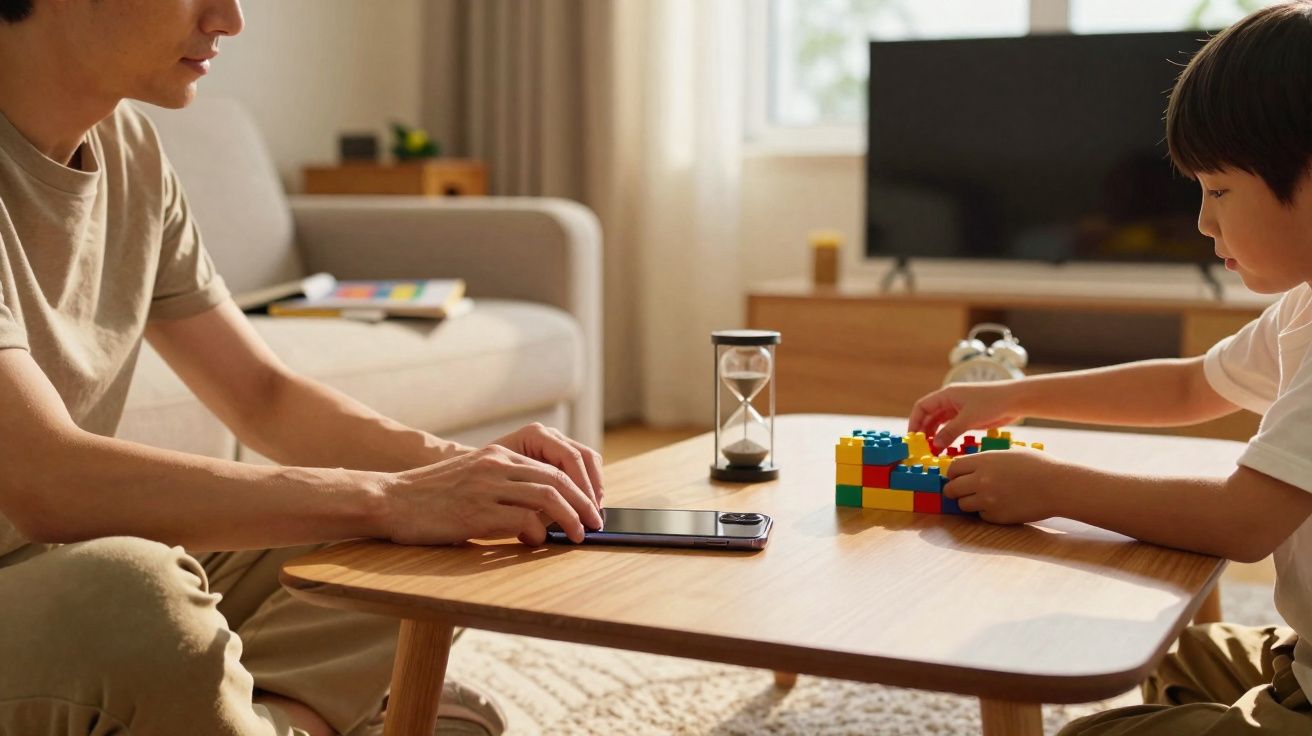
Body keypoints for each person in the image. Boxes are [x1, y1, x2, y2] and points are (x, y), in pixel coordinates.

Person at [0, 1, 605, 735]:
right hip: (47, 581)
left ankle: (273, 718)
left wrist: (465, 476)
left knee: (432, 538)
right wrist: (390, 496)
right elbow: (48, 483)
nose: (230, 18)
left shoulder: (132, 149)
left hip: (55, 565)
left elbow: (264, 398)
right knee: (138, 594)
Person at [910, 3, 1312, 733]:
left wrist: (1051, 487)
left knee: (1084, 732)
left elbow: (1245, 520)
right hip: (1301, 656)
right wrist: (1013, 396)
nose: (1202, 222)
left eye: (1218, 190)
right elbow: (1191, 385)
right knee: (1171, 652)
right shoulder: (1303, 309)